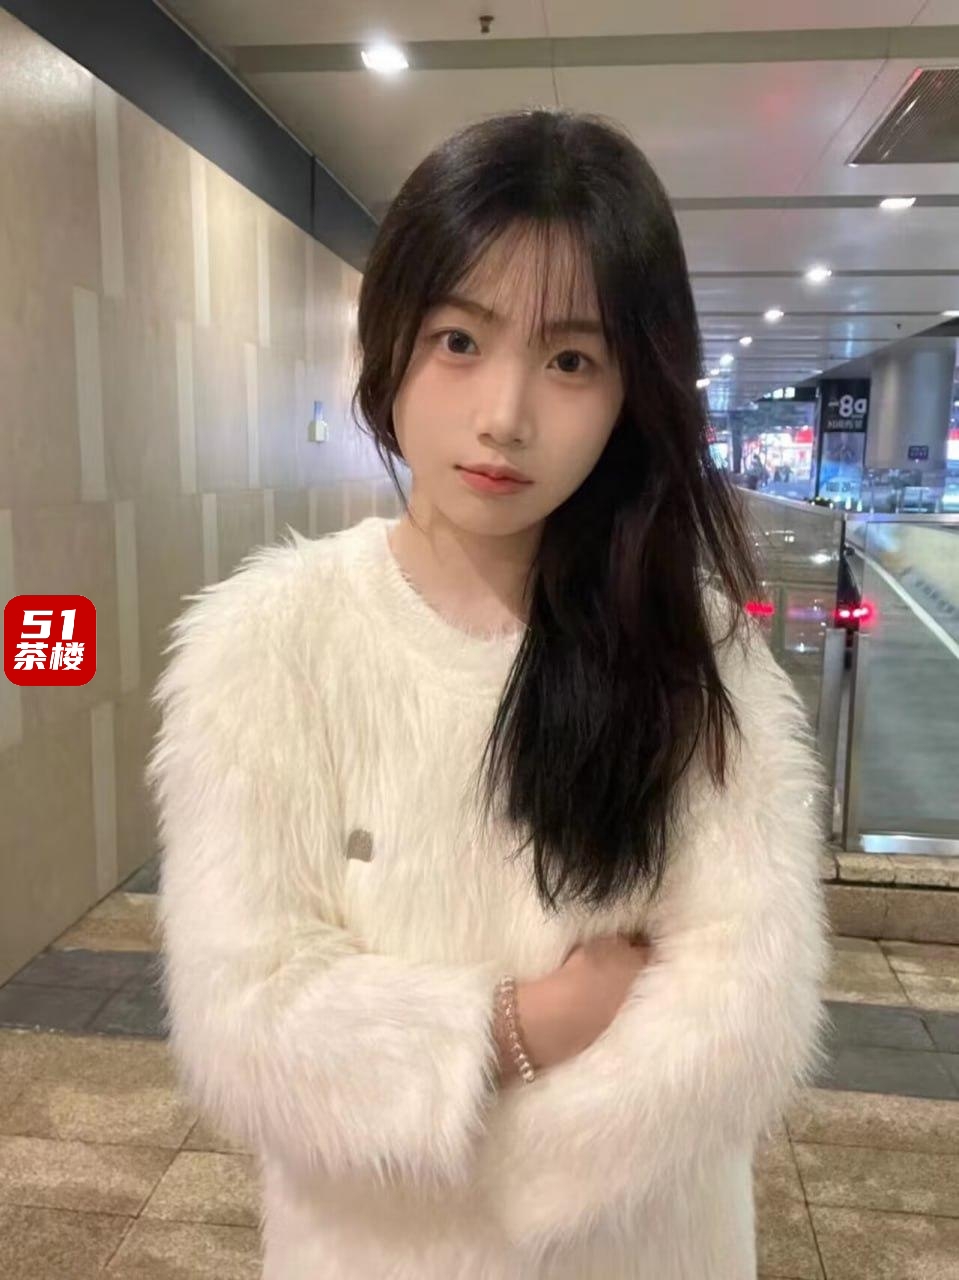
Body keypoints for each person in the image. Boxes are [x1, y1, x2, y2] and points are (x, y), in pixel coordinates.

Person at [144, 108, 831, 1280]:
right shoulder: (272, 641)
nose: (504, 414)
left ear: (628, 390)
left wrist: (501, 1180)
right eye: (459, 339)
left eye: (569, 361)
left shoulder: (692, 646)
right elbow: (246, 1011)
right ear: (392, 339)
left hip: (639, 1247)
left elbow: (741, 997)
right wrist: (524, 1023)